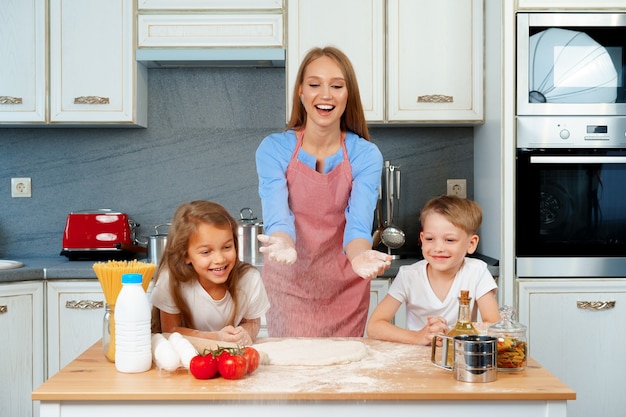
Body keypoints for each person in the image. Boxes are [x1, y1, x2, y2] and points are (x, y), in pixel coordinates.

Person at [255, 46, 392, 337]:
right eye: (315, 85)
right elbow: (278, 217)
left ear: (347, 95)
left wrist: (360, 257)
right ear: (301, 92)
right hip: (289, 284)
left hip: (345, 288)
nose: (325, 95)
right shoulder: (274, 149)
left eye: (337, 86)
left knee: (342, 376)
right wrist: (282, 243)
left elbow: (357, 227)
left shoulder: (365, 155)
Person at [366, 195, 500, 345]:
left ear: (471, 243)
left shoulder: (477, 272)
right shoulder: (409, 276)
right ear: (422, 239)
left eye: (449, 240)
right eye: (430, 239)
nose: (438, 248)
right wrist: (417, 337)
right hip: (418, 358)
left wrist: (453, 333)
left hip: (459, 357)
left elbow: (493, 326)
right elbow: (374, 326)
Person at [150, 201, 270, 346]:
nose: (220, 259)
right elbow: (169, 331)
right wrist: (216, 337)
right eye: (206, 252)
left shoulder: (249, 279)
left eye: (227, 247)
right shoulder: (171, 278)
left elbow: (252, 323)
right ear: (185, 255)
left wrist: (243, 333)